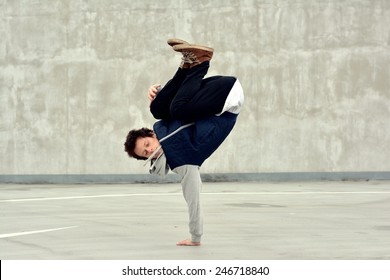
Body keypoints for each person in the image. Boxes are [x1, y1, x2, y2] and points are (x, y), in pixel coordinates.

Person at [124, 39, 244, 246]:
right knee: (177, 109)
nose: (150, 150)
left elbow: (171, 102)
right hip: (226, 103)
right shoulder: (183, 163)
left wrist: (156, 91)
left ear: (152, 136)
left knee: (157, 109)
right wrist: (195, 237)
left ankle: (187, 64)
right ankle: (201, 62)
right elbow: (193, 200)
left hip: (214, 92)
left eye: (147, 145)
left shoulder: (164, 127)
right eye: (145, 154)